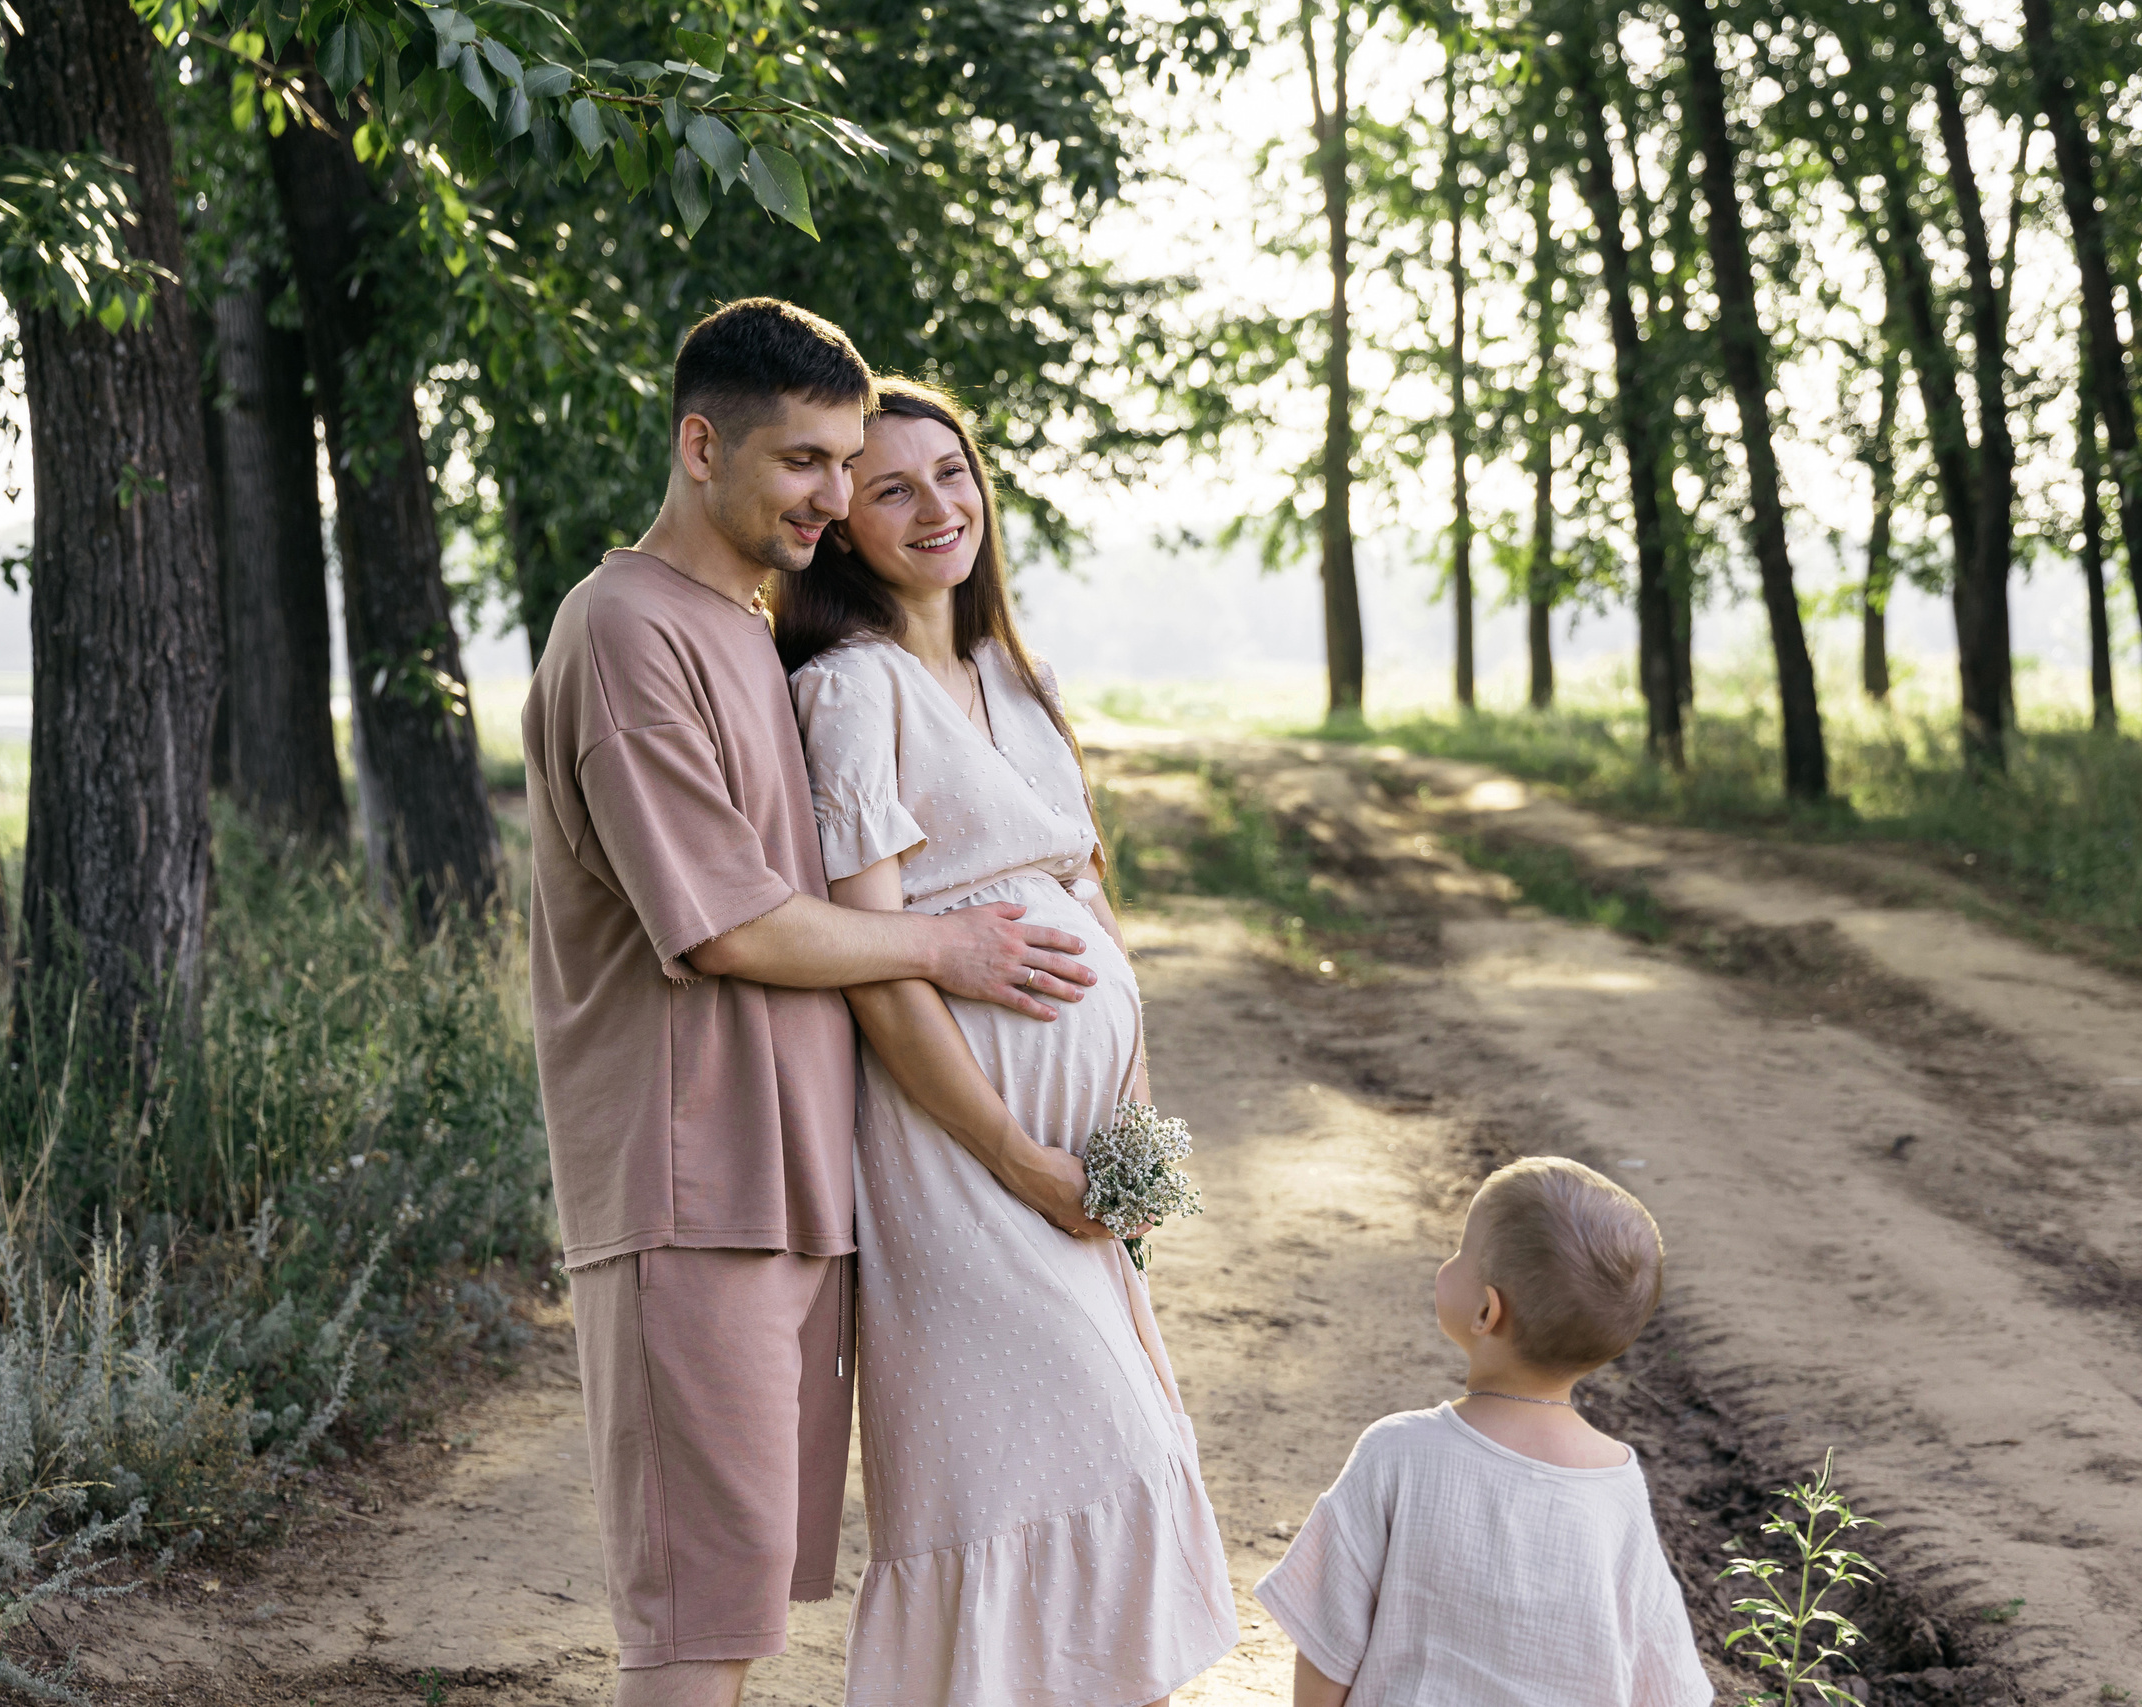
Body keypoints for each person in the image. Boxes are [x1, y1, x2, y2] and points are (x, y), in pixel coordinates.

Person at [521, 300, 1108, 1707]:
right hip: (690, 1191)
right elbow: (726, 924)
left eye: (848, 464)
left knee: (738, 1607)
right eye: (804, 461)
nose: (835, 498)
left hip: (788, 1190)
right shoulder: (624, 631)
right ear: (699, 444)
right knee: (696, 1627)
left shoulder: (744, 626)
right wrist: (944, 949)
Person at [776, 378, 1241, 1706]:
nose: (937, 506)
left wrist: (1128, 1135)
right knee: (1041, 1466)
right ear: (844, 526)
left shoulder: (1012, 677)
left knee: (1118, 1453)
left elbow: (1089, 899)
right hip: (957, 1157)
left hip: (1076, 1163)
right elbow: (878, 971)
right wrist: (1015, 1153)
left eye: (952, 473)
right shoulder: (852, 691)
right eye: (892, 488)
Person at [1254, 1157, 1712, 1707]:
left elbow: (1329, 1641)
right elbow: (1666, 1684)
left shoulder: (1398, 1452)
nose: (1447, 1262)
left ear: (1486, 1312)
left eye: (1459, 1252)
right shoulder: (1616, 1489)